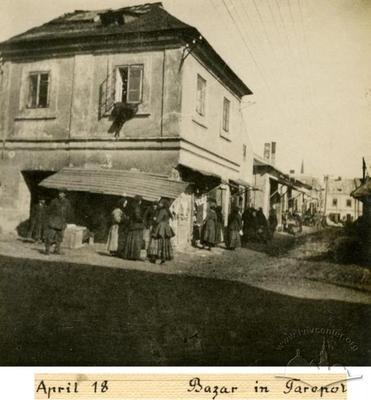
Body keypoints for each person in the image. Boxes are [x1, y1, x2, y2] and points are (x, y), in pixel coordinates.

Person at [44, 190, 73, 255]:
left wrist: (66, 221)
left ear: (65, 194)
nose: (60, 194)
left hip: (62, 222)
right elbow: (48, 211)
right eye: (59, 193)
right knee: (49, 237)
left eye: (62, 193)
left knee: (59, 238)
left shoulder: (67, 202)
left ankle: (57, 250)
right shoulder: (54, 201)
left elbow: (69, 212)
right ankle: (47, 250)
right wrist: (50, 220)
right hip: (53, 222)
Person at [147, 199, 175, 264]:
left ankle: (154, 257)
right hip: (166, 227)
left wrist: (154, 219)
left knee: (156, 241)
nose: (159, 204)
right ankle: (163, 257)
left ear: (163, 204)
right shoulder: (168, 211)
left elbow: (157, 220)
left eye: (160, 203)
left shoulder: (162, 211)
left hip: (160, 227)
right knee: (164, 242)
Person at [121, 195, 145, 260]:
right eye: (141, 200)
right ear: (139, 201)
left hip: (131, 225)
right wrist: (142, 220)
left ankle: (128, 254)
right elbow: (137, 216)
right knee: (136, 241)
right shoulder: (137, 207)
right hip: (136, 225)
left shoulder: (131, 206)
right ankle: (133, 255)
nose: (141, 202)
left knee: (130, 240)